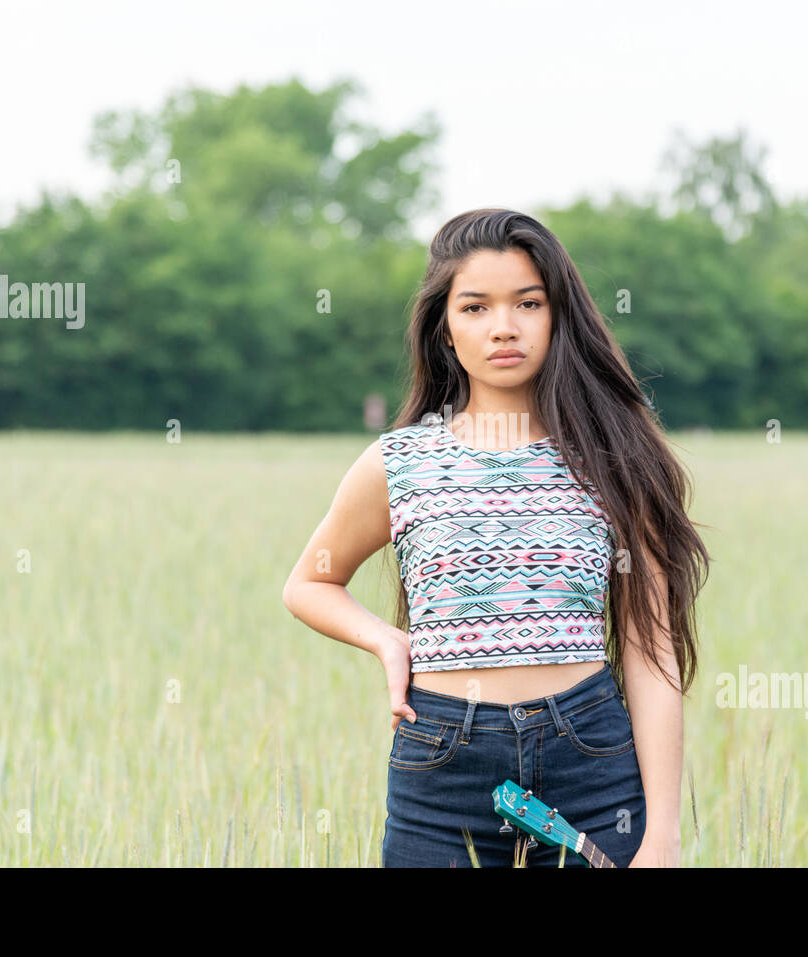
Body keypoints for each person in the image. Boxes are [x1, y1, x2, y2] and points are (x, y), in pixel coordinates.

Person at [282, 208, 709, 867]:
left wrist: (663, 836)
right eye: (476, 307)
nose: (503, 326)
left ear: (557, 315)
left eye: (528, 303)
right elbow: (309, 582)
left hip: (590, 763)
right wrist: (386, 638)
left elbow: (649, 647)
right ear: (445, 330)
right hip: (442, 768)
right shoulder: (398, 462)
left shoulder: (616, 456)